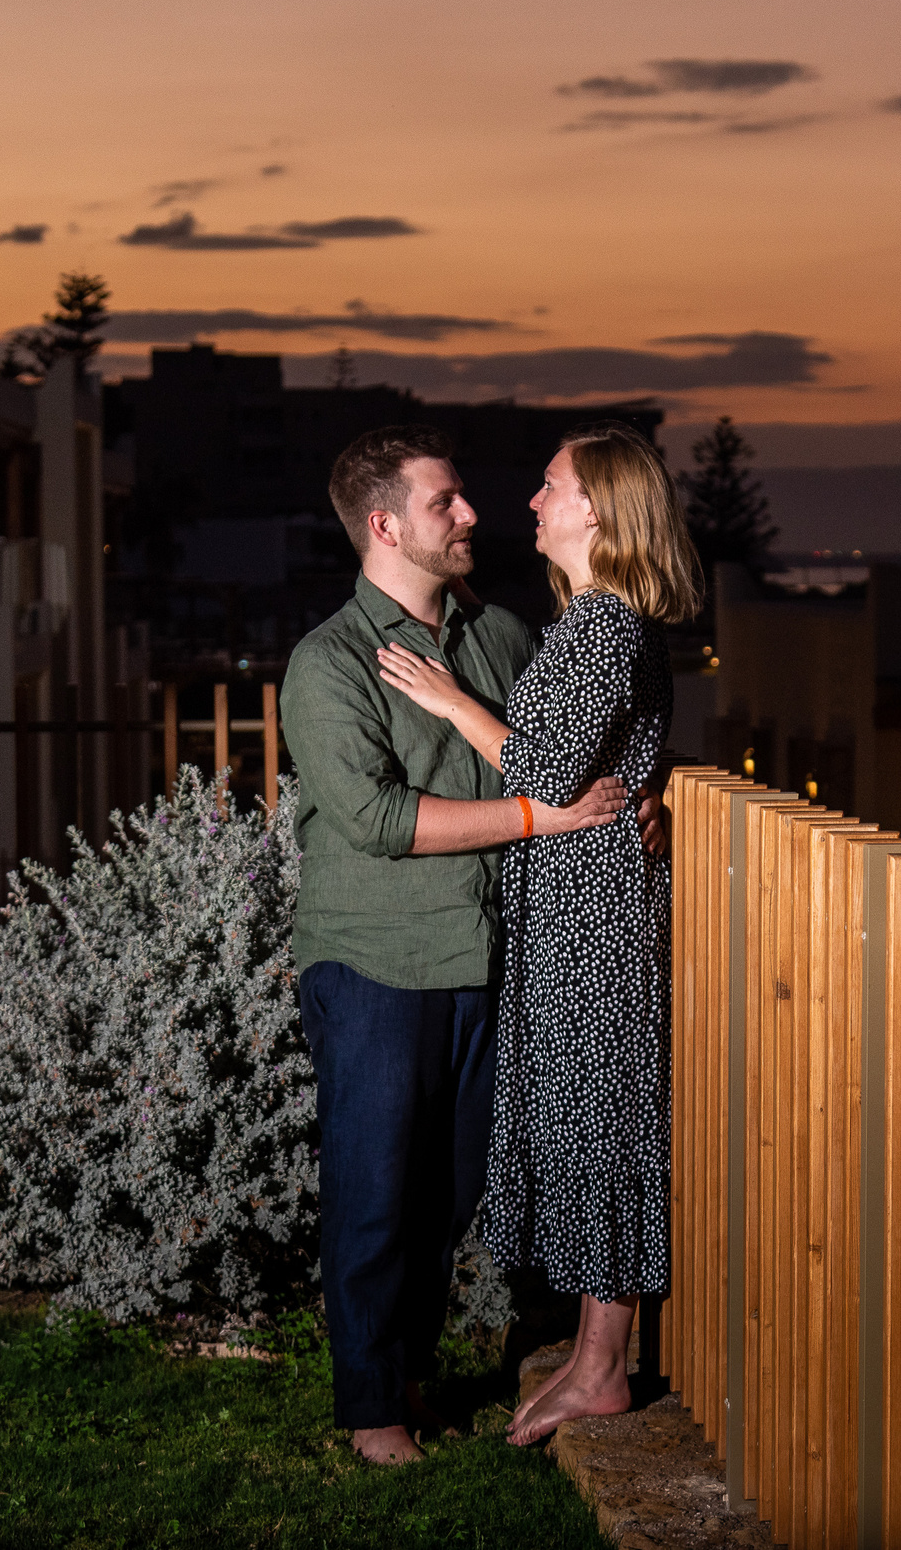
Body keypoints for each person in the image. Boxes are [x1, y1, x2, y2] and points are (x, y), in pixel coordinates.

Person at [281, 424, 646, 1467]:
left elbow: (574, 746)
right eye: (447, 502)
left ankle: (407, 1367)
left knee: (444, 1190)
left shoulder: (497, 636)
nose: (473, 514)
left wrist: (643, 793)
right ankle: (370, 1407)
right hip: (376, 960)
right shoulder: (330, 662)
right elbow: (381, 819)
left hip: (488, 957)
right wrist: (542, 819)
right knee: (375, 1185)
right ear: (387, 524)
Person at [374, 422, 702, 1446]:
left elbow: (546, 772)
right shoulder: (598, 621)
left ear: (599, 508)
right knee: (583, 1112)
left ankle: (602, 1365)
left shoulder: (604, 621)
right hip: (578, 899)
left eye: (551, 486)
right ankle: (592, 1347)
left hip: (591, 911)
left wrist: (449, 699)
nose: (530, 502)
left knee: (599, 1123)